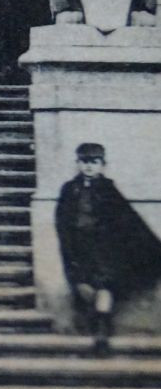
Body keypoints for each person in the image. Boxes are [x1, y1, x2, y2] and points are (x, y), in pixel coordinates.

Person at [54, 143, 161, 355]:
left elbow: (127, 219)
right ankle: (95, 319)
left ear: (103, 165)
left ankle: (102, 333)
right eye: (84, 161)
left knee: (104, 284)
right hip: (79, 247)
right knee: (83, 284)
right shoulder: (69, 189)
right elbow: (62, 218)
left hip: (104, 247)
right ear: (78, 164)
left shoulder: (109, 190)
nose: (89, 166)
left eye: (94, 162)